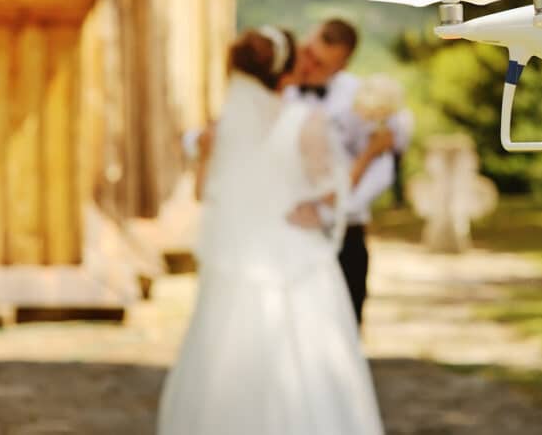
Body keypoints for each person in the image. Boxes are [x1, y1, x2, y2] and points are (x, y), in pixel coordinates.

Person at [158, 26, 385, 435]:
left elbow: (204, 191)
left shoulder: (223, 128)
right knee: (310, 370)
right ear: (286, 74)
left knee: (223, 366)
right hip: (296, 256)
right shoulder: (306, 122)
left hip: (237, 260)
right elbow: (334, 190)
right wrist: (368, 154)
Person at [287, 19, 413, 326]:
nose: (311, 65)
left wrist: (344, 206)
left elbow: (385, 151)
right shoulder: (280, 92)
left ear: (342, 64)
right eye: (311, 54)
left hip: (347, 229)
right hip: (291, 228)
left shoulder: (359, 96)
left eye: (323, 63)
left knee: (345, 322)